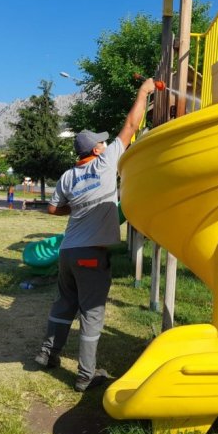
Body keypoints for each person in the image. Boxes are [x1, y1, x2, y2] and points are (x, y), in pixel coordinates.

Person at [35, 77, 156, 392]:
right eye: (102, 142)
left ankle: (47, 354)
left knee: (64, 304)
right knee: (91, 314)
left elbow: (52, 209)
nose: (106, 143)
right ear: (97, 149)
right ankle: (86, 376)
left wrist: (77, 208)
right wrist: (143, 92)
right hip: (91, 254)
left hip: (68, 252)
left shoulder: (67, 176)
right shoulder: (105, 163)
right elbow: (131, 125)